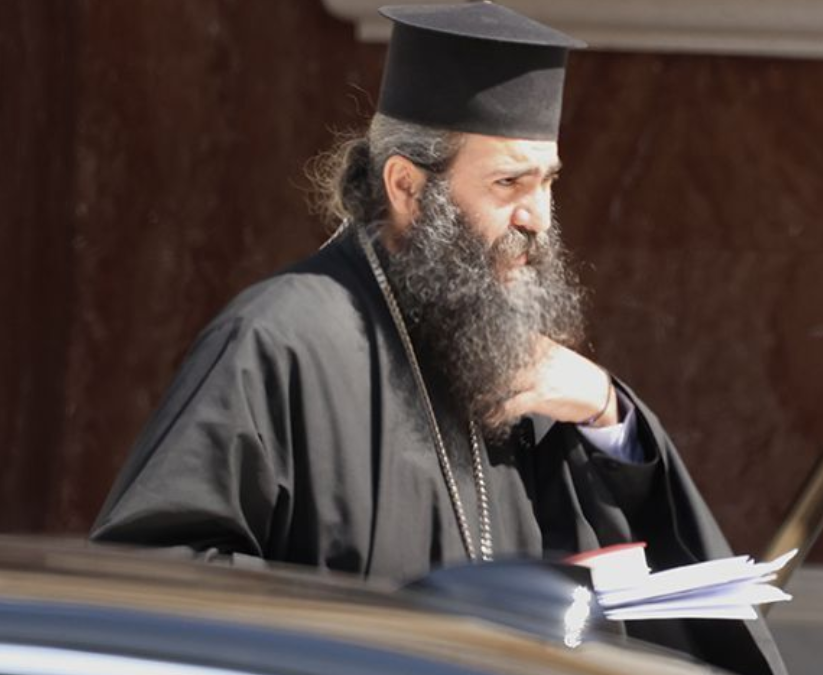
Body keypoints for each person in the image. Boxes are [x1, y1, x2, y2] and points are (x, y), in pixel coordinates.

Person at [91, 3, 787, 673]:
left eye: (547, 182)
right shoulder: (279, 340)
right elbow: (155, 579)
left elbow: (624, 579)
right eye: (509, 183)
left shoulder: (507, 347)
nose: (538, 218)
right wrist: (380, 636)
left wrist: (609, 414)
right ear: (407, 187)